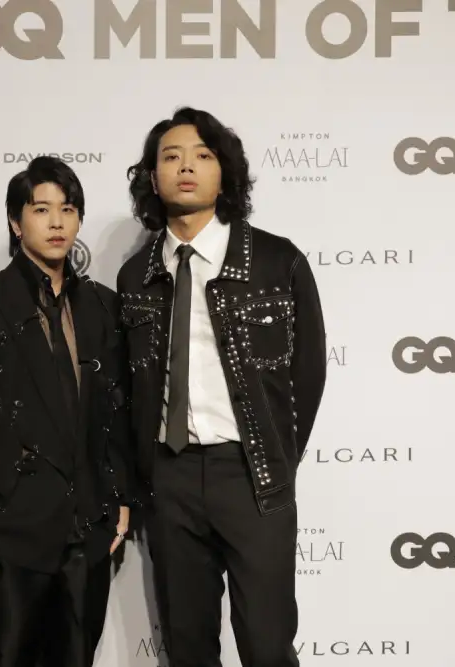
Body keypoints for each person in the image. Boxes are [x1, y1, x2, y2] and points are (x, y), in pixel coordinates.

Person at [117, 107, 327, 667]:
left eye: (203, 155)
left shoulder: (278, 261)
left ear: (225, 172)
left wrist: (276, 456)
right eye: (171, 156)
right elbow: (130, 387)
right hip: (170, 476)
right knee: (187, 646)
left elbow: (308, 375)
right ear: (153, 176)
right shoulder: (136, 275)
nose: (186, 166)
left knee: (267, 643)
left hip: (252, 474)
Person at [0, 156, 132, 667]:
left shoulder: (103, 306)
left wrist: (119, 498)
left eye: (67, 209)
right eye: (41, 209)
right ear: (15, 221)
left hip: (86, 526)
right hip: (7, 527)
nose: (56, 222)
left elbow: (115, 411)